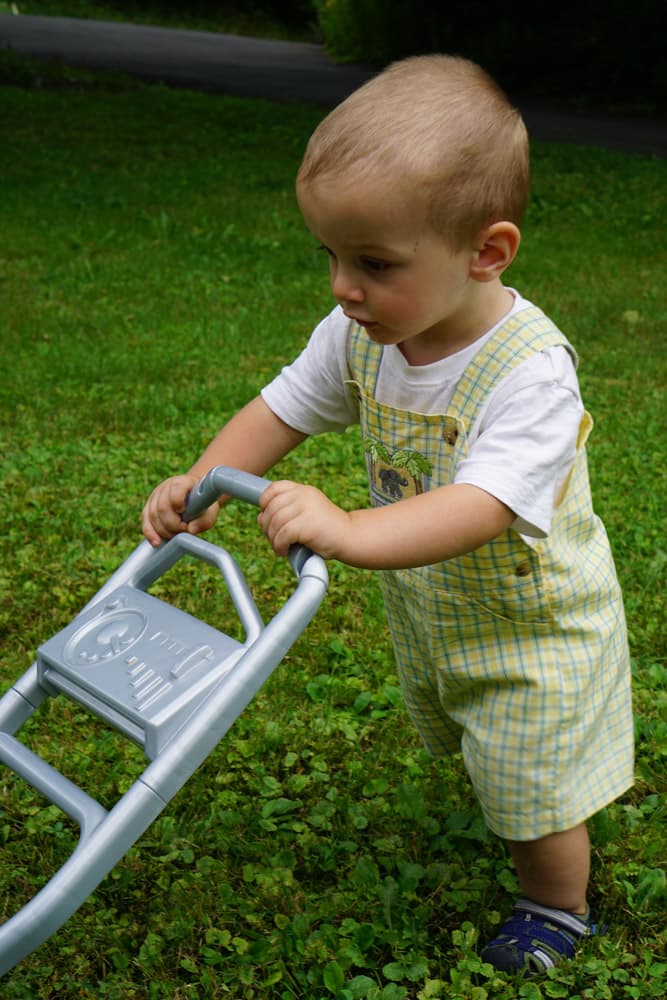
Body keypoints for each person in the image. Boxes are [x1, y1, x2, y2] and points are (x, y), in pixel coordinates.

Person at [142, 55, 634, 976]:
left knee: (536, 789)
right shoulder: (363, 333)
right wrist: (202, 478)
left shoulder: (530, 373)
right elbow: (283, 406)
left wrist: (350, 530)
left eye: (373, 262)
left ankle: (555, 905)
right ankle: (510, 805)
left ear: (486, 252)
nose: (341, 286)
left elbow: (484, 506)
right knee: (468, 738)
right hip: (440, 616)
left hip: (536, 631)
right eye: (329, 255)